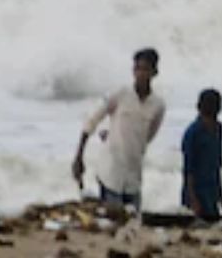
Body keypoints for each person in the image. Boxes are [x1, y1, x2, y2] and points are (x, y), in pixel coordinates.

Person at [71, 48, 166, 209]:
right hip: (111, 172)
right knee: (113, 222)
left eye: (145, 69)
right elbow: (92, 121)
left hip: (134, 176)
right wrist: (79, 156)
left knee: (132, 225)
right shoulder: (121, 94)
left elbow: (148, 137)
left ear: (154, 72)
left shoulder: (158, 105)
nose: (141, 74)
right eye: (137, 69)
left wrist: (121, 136)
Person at [181, 88, 222, 222]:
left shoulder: (218, 129)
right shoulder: (193, 133)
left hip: (211, 191)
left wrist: (220, 194)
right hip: (196, 191)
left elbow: (217, 164)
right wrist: (193, 199)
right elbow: (188, 169)